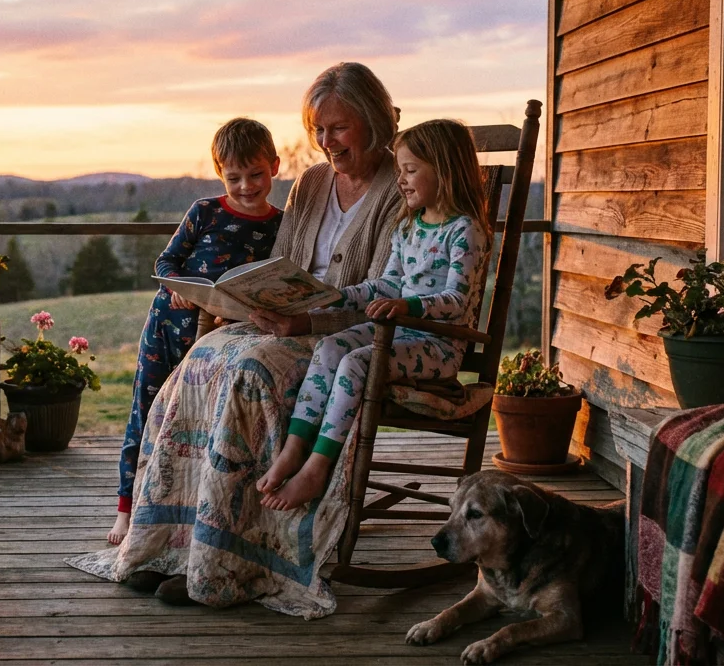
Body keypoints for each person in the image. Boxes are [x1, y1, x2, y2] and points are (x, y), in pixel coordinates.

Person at [68, 62, 407, 618]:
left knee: (252, 369)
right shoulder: (313, 182)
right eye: (317, 130)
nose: (325, 143)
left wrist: (307, 319)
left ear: (371, 119)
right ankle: (175, 544)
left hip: (340, 332)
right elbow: (285, 260)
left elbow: (381, 287)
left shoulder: (399, 188)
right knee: (204, 355)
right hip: (284, 318)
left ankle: (232, 559)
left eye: (338, 128)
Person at [257, 119, 491, 510]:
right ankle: (294, 450)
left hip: (439, 347)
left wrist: (408, 306)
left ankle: (317, 468)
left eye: (410, 170)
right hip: (399, 336)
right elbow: (386, 285)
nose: (400, 180)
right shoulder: (408, 226)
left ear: (445, 170)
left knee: (353, 364)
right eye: (399, 170)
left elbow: (457, 301)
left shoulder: (465, 231)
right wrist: (336, 296)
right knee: (331, 349)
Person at [108, 118, 284, 545]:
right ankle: (126, 509)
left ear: (275, 167)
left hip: (220, 338)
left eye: (256, 174)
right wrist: (178, 287)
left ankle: (189, 511)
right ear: (219, 172)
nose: (246, 185)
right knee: (147, 409)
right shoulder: (204, 211)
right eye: (234, 176)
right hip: (169, 324)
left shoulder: (281, 224)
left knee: (197, 423)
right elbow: (166, 263)